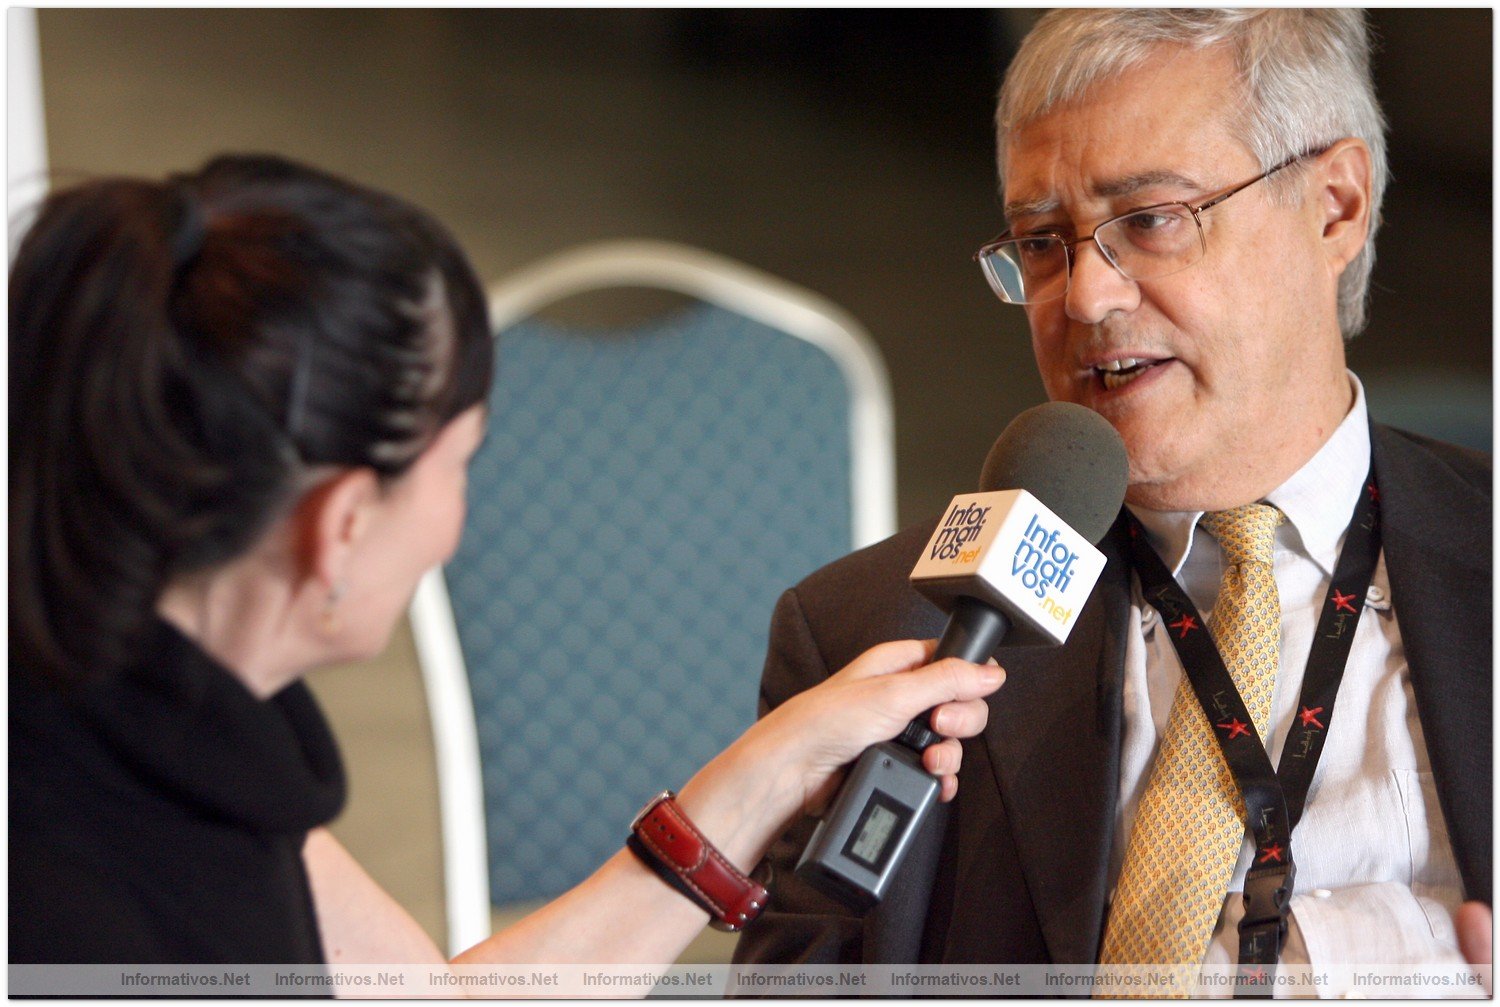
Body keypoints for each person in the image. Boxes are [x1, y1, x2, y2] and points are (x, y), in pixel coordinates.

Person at [7, 154, 1005, 979]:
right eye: (458, 467)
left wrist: (770, 772)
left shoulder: (157, 716)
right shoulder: (88, 905)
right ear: (344, 521)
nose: (458, 522)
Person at [733, 8, 1491, 993]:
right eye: (1042, 241)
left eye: (1152, 219)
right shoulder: (879, 639)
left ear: (1334, 206)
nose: (1084, 297)